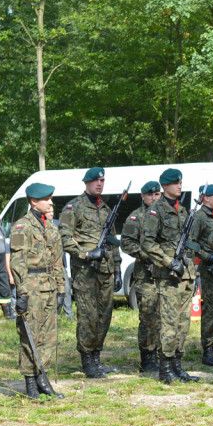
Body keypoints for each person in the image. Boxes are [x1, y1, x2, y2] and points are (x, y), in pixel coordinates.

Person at [59, 166, 122, 378]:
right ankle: (87, 362)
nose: (99, 184)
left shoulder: (106, 209)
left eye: (102, 180)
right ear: (86, 183)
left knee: (104, 316)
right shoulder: (73, 207)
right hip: (85, 272)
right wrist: (86, 254)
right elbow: (64, 238)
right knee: (88, 317)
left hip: (105, 272)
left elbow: (113, 242)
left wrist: (118, 268)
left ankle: (97, 359)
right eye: (96, 181)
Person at [141, 168, 197, 384]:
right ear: (164, 186)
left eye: (180, 182)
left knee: (183, 323)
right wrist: (168, 261)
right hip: (168, 276)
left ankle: (177, 365)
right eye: (174, 183)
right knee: (169, 323)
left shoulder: (183, 211)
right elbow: (147, 243)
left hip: (185, 275)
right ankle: (165, 368)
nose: (179, 186)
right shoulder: (156, 211)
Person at [11, 183, 66, 400]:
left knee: (49, 337)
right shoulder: (21, 227)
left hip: (50, 286)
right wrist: (22, 293)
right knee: (30, 335)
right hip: (32, 287)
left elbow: (58, 261)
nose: (51, 202)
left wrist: (61, 289)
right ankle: (30, 382)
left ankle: (42, 377)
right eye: (47, 199)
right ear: (34, 201)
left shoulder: (51, 227)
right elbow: (17, 261)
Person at [121, 181, 164, 372]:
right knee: (148, 316)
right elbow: (127, 243)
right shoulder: (135, 217)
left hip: (165, 273)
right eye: (150, 195)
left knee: (165, 315)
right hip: (146, 274)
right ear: (143, 196)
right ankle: (147, 357)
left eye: (157, 195)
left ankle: (163, 354)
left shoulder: (166, 215)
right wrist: (147, 257)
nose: (154, 198)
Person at [190, 185, 213, 367]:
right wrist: (206, 257)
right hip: (209, 269)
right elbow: (191, 242)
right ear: (206, 198)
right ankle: (207, 349)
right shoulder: (199, 217)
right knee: (211, 311)